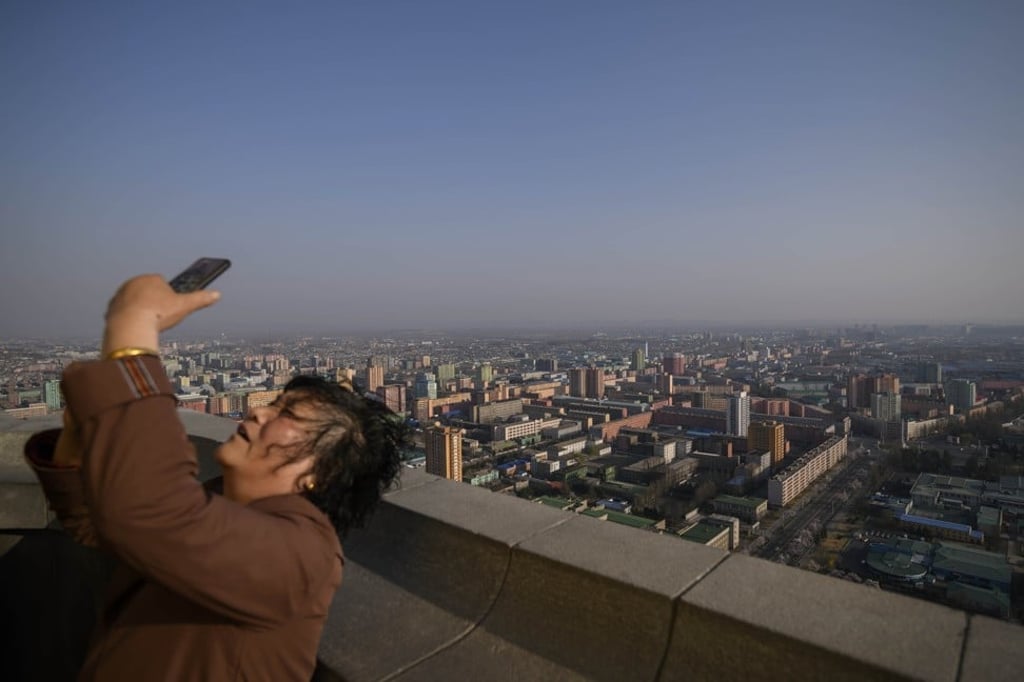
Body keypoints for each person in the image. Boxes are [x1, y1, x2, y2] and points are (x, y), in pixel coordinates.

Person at [24, 274, 407, 680]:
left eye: (287, 415)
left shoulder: (305, 556)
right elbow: (101, 521)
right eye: (274, 403)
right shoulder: (219, 509)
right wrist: (82, 434)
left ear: (322, 471)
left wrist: (135, 324)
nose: (259, 413)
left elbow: (146, 513)